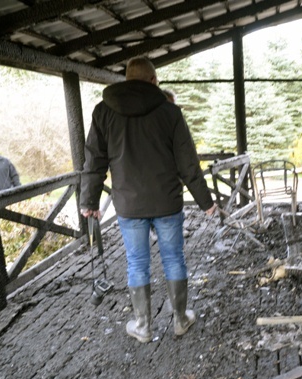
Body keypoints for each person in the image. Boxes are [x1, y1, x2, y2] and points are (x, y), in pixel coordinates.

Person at [80, 57, 217, 343]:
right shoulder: (170, 113)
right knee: (174, 259)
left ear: (127, 79)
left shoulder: (103, 112)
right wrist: (206, 201)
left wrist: (89, 201)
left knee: (137, 262)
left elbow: (94, 162)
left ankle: (143, 326)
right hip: (167, 202)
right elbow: (188, 163)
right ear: (154, 81)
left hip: (129, 206)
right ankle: (180, 319)